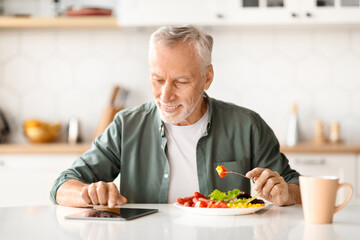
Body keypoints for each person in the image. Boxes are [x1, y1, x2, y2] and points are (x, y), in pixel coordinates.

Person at [51, 25, 301, 208]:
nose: (165, 95)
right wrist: (88, 193)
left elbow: (299, 187)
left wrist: (285, 193)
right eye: (157, 80)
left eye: (180, 81)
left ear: (207, 78)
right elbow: (62, 185)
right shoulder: (127, 126)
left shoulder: (247, 126)